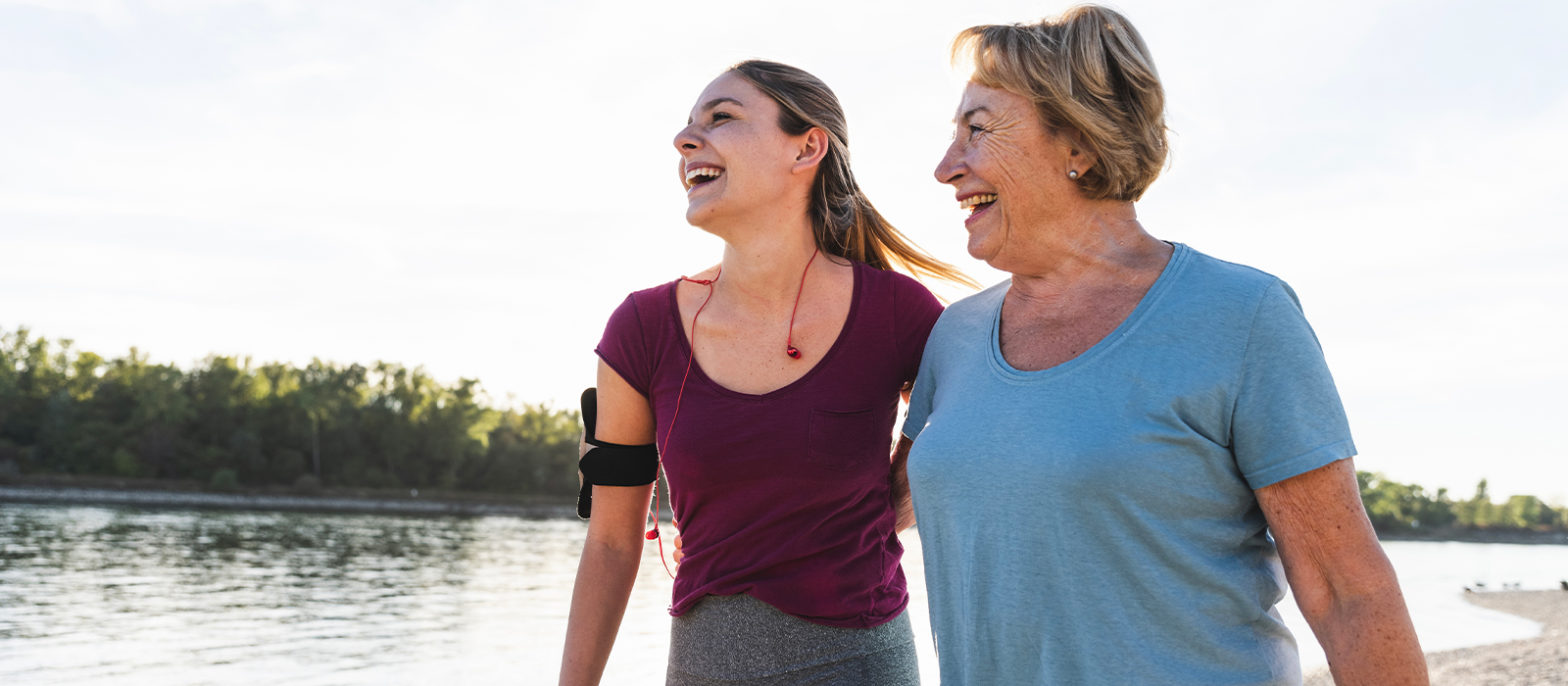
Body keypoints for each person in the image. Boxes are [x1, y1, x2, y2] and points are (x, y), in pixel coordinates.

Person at [900, 6, 1428, 685]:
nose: (947, 168)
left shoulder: (1240, 314)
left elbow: (1346, 588)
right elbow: (861, 517)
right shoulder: (954, 335)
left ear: (1078, 145)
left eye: (977, 130)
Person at [557, 60, 970, 686]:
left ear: (807, 148)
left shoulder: (898, 314)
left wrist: (886, 508)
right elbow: (613, 544)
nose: (685, 139)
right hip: (702, 667)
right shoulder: (640, 329)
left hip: (863, 666)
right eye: (688, 125)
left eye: (721, 118)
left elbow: (972, 449)